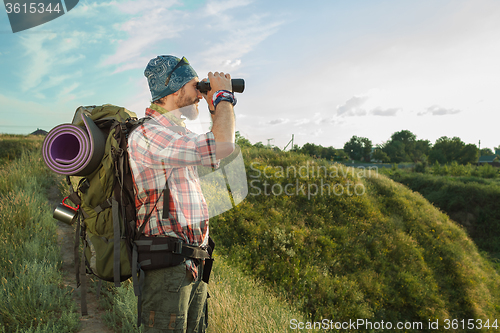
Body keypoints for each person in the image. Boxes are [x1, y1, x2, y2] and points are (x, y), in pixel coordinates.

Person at [127, 55, 236, 332]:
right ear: (174, 90)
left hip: (190, 264)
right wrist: (223, 97)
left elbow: (213, 155)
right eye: (195, 86)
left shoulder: (175, 134)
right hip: (168, 267)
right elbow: (222, 145)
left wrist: (214, 109)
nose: (200, 93)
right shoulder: (150, 134)